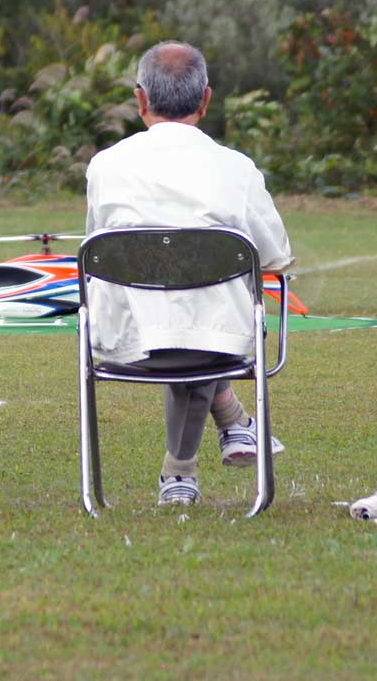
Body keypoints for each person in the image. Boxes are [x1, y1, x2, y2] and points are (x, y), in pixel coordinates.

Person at [83, 41, 293, 506]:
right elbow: (275, 257)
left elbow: (97, 250)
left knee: (182, 316)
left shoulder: (105, 166)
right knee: (196, 320)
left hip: (124, 341)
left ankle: (197, 458)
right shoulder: (237, 169)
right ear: (206, 100)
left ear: (140, 99)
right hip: (218, 344)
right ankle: (220, 432)